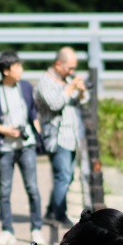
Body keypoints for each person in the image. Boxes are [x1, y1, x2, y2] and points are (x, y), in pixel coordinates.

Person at [0, 50, 45, 245]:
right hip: (5, 147)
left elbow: (33, 110)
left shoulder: (25, 87)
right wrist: (5, 130)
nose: (21, 70)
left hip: (27, 145)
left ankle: (36, 229)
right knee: (5, 190)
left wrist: (37, 128)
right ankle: (7, 230)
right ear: (6, 71)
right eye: (17, 67)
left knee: (32, 188)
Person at [34, 46, 89, 230]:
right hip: (57, 137)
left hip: (71, 136)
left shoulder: (66, 79)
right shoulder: (45, 81)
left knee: (68, 176)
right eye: (70, 68)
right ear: (58, 64)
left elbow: (84, 99)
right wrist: (71, 86)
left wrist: (80, 90)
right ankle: (58, 214)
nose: (72, 72)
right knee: (63, 177)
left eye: (74, 68)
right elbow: (55, 103)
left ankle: (51, 211)